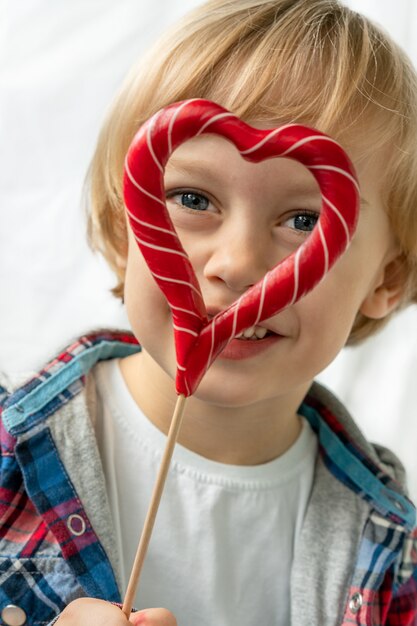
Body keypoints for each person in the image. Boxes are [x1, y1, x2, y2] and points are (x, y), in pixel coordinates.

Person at [1, 0, 417, 624]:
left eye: (303, 219)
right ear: (125, 232)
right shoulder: (11, 459)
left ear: (385, 279)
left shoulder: (389, 548)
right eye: (193, 198)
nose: (239, 263)